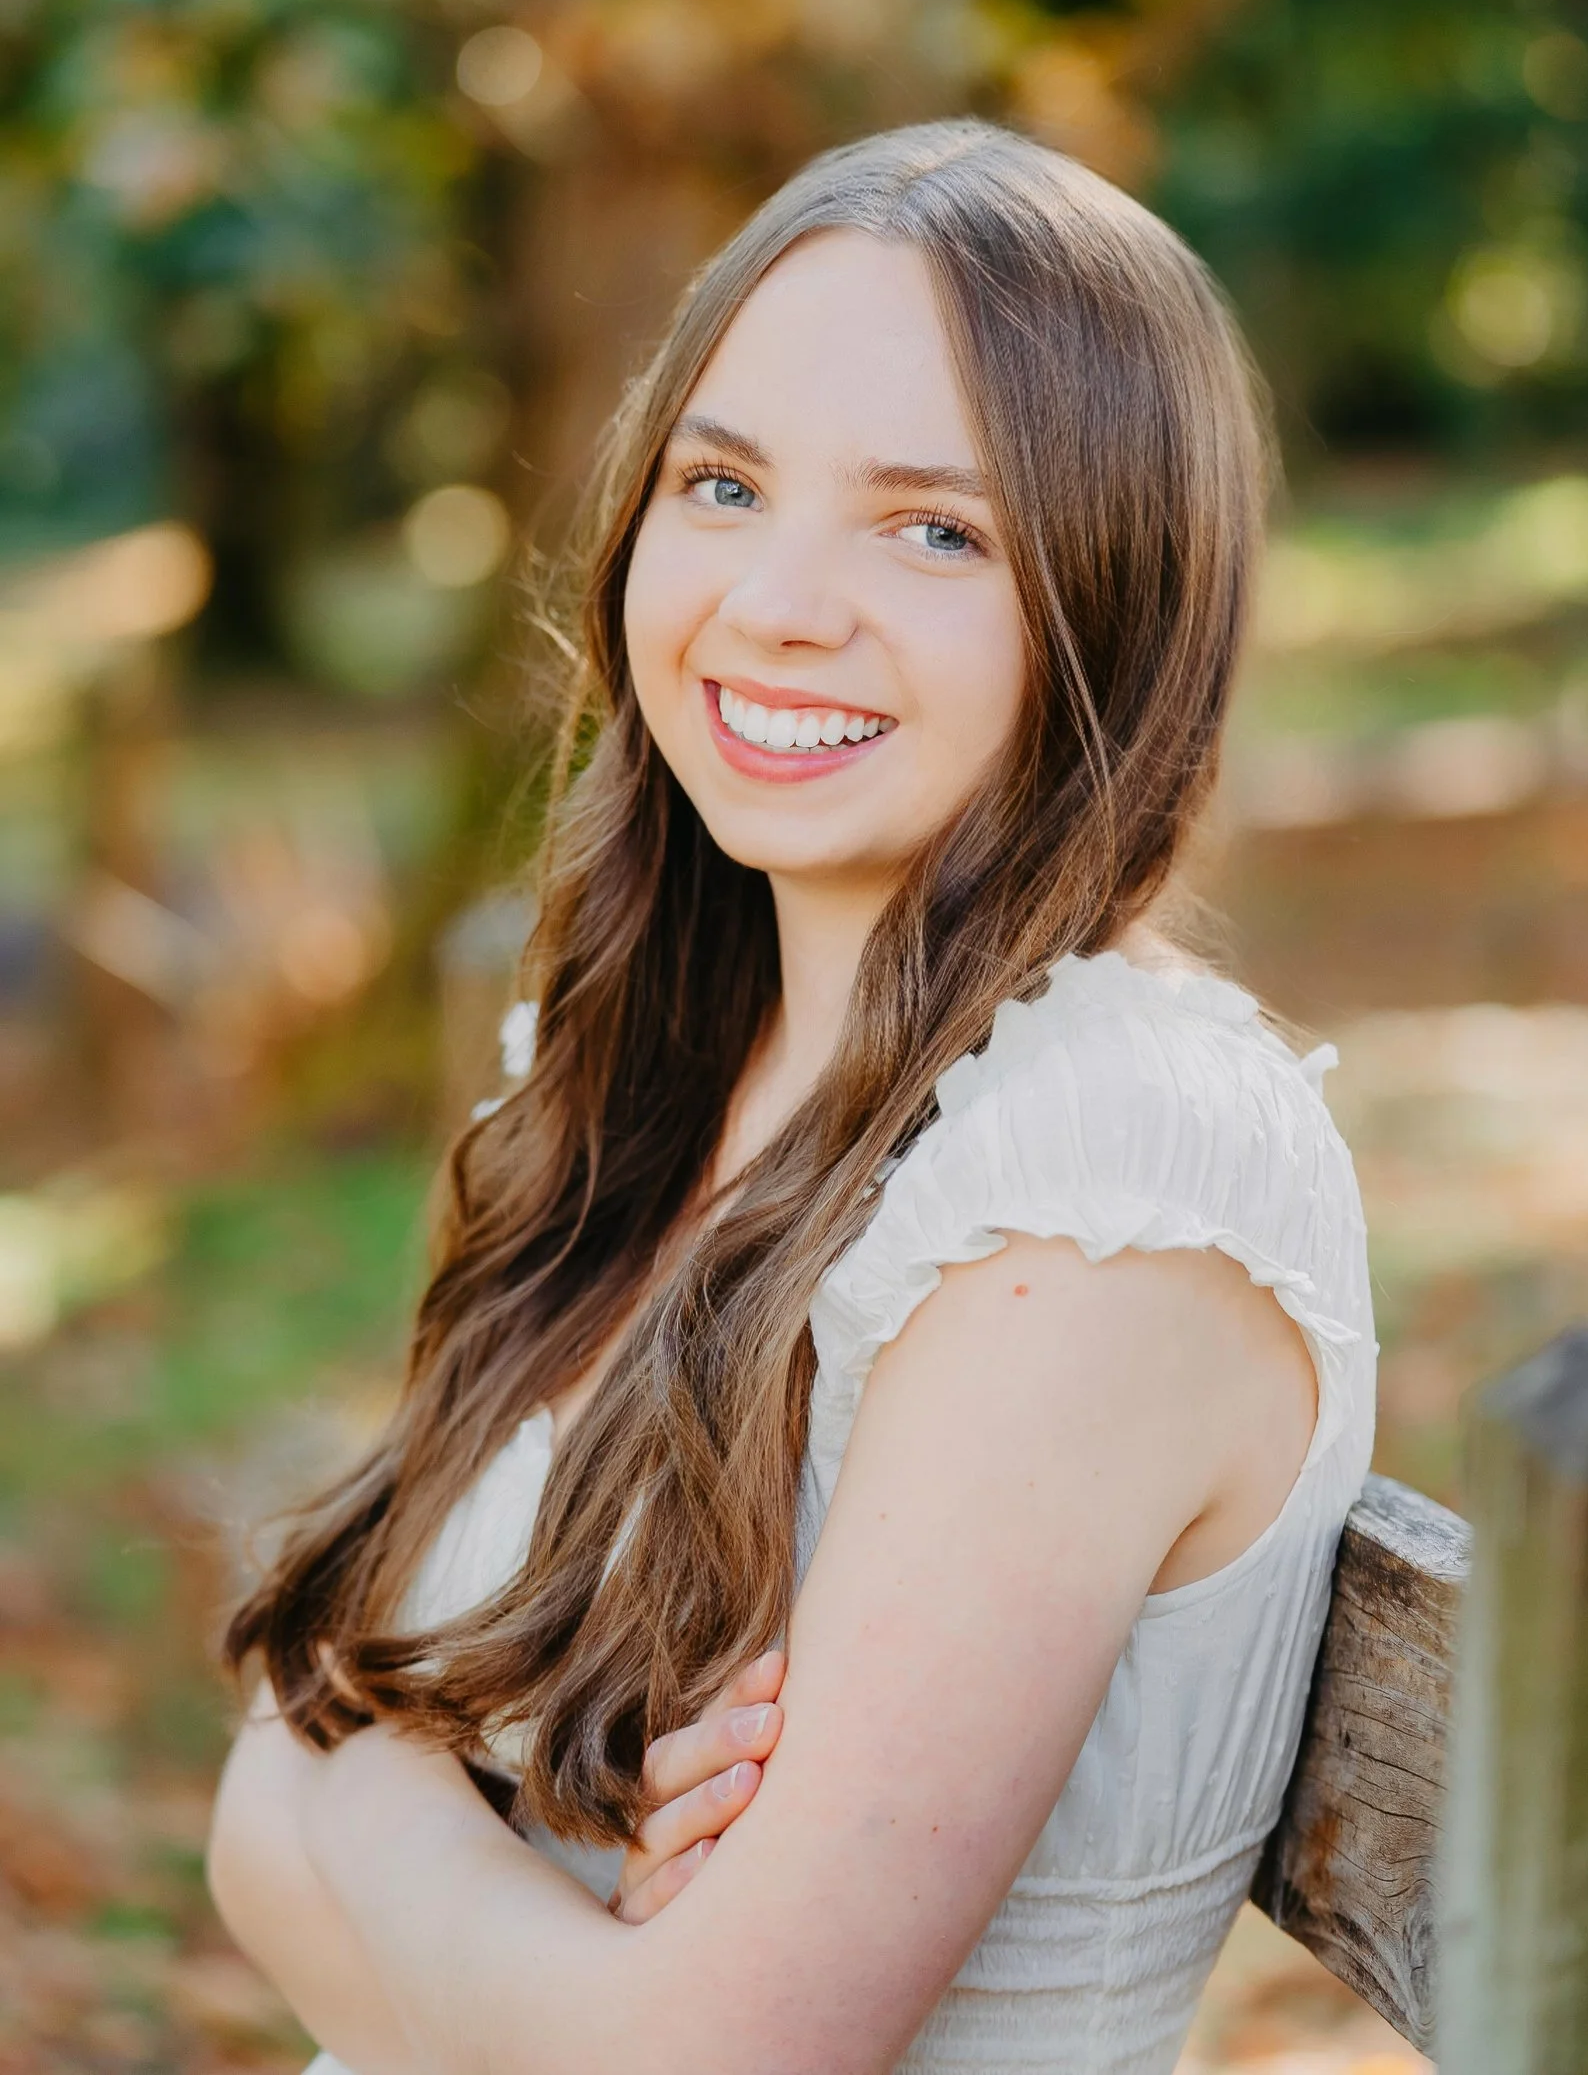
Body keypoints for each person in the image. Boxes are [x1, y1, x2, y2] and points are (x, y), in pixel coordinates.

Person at [207, 119, 1374, 2075]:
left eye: (934, 527)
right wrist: (370, 1811)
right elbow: (253, 1807)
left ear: (1112, 595)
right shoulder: (661, 1052)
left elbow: (688, 2046)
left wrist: (370, 1793)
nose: (776, 603)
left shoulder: (1105, 1168)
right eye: (723, 482)